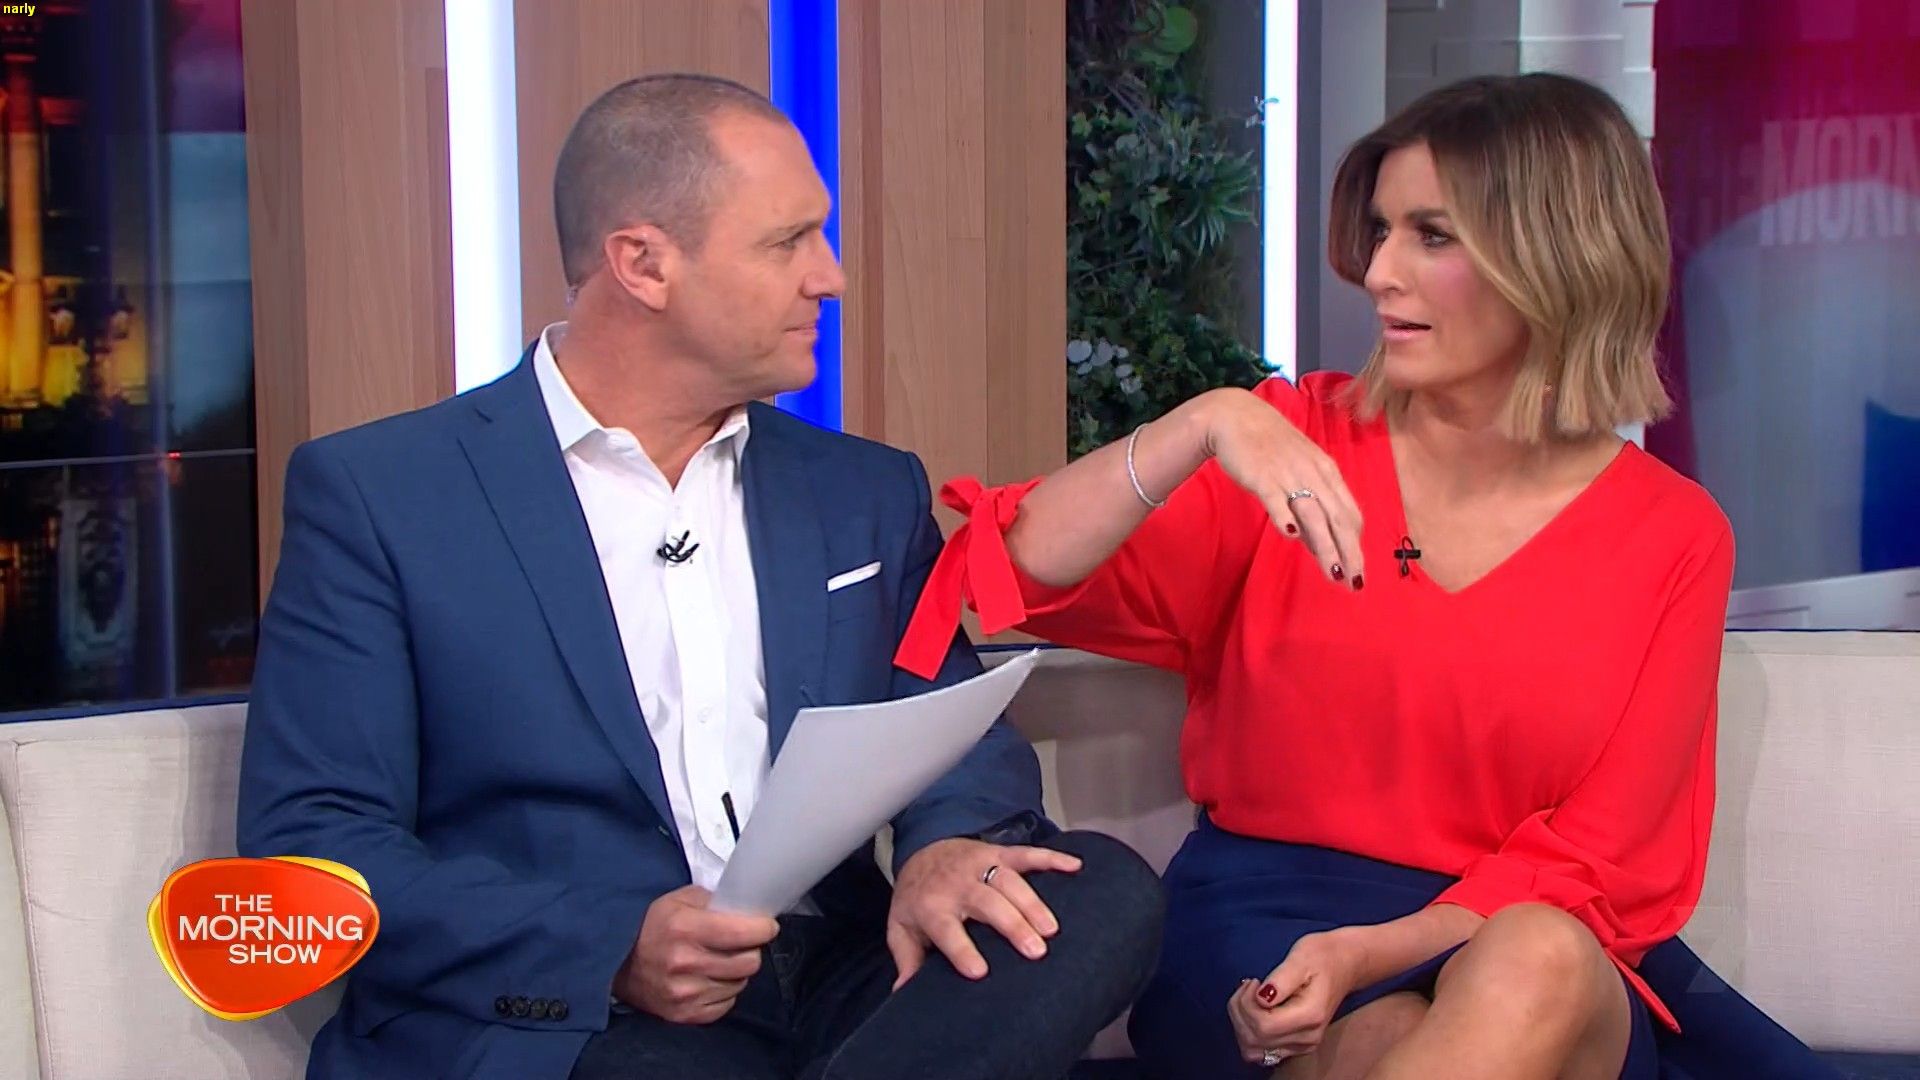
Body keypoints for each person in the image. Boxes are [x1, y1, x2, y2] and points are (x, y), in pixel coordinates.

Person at [894, 73, 1839, 1079]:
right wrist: (1201, 424)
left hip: (1516, 936)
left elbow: (1605, 858)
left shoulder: (1674, 535)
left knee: (1540, 958)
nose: (1380, 272)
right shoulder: (1292, 446)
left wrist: (1378, 951)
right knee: (1388, 1038)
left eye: (1431, 236)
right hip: (1268, 923)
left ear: (1556, 254)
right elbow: (1011, 567)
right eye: (1381, 232)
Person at [237, 73, 1162, 1080]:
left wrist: (947, 845)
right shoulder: (384, 495)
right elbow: (312, 846)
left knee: (1102, 892)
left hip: (839, 975)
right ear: (643, 264)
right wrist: (612, 946)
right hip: (583, 1013)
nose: (830, 277)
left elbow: (953, 724)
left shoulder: (861, 490)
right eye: (786, 242)